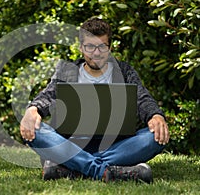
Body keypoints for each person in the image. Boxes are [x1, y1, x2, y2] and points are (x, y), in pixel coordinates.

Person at [19, 17, 169, 184]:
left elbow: (143, 99)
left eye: (102, 46)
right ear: (81, 48)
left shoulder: (124, 71)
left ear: (110, 47)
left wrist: (155, 115)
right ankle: (106, 171)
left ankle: (71, 166)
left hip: (115, 146)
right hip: (71, 144)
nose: (96, 53)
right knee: (35, 130)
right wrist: (33, 110)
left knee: (155, 136)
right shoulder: (67, 71)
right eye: (90, 47)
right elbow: (47, 96)